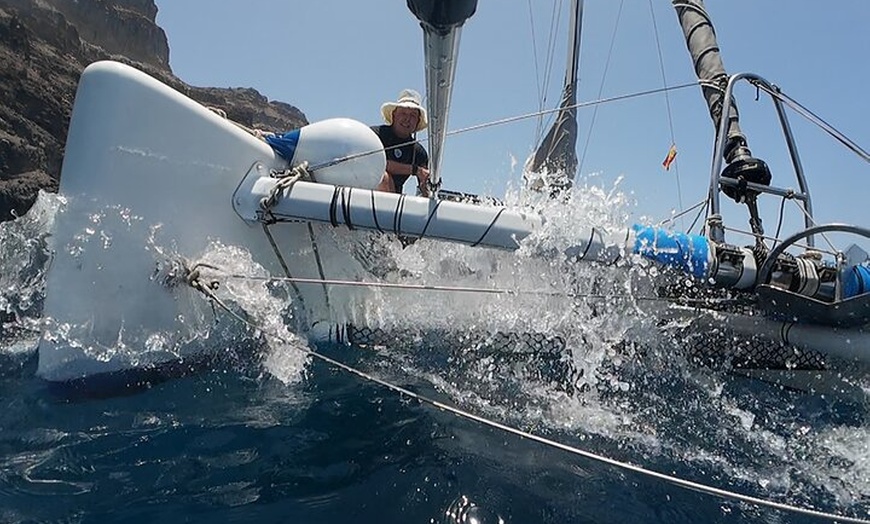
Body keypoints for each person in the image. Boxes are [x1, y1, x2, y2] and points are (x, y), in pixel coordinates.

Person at [372, 89, 431, 197]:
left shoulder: (419, 152)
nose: (407, 119)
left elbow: (424, 184)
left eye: (413, 115)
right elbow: (375, 164)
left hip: (395, 202)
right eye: (403, 113)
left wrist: (428, 184)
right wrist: (414, 170)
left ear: (418, 121)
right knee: (383, 177)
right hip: (362, 192)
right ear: (394, 115)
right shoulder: (375, 135)